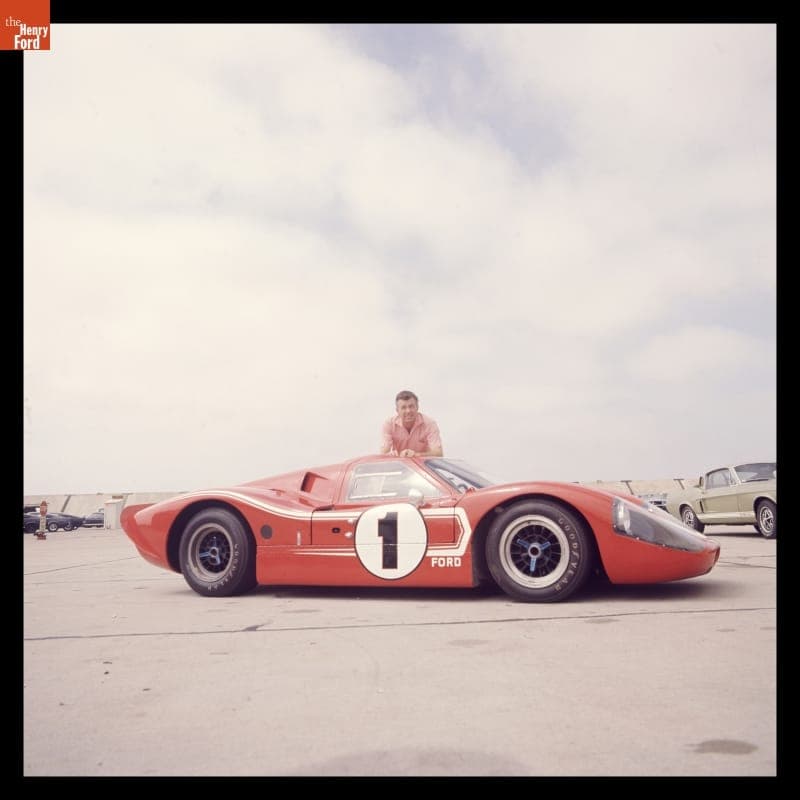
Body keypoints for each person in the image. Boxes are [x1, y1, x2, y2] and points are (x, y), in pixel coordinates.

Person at [380, 390, 443, 457]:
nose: (408, 411)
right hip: (399, 464)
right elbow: (384, 454)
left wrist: (416, 454)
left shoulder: (429, 423)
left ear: (417, 407)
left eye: (411, 406)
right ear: (397, 411)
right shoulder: (389, 424)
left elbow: (439, 453)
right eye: (403, 407)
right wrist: (392, 455)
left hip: (422, 465)